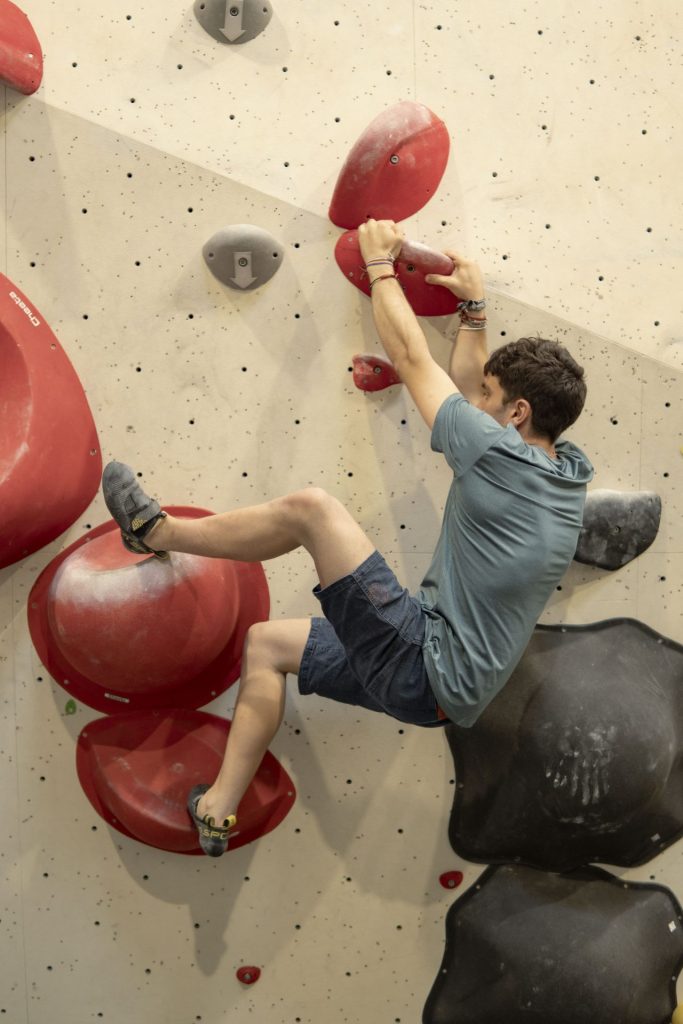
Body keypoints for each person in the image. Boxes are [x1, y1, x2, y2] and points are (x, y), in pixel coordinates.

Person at [102, 219, 593, 857]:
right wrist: (473, 312)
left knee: (314, 511)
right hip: (440, 693)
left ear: (518, 414)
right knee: (268, 643)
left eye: (494, 398)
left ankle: (153, 530)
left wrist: (380, 266)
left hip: (422, 660)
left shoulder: (500, 460)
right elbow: (473, 389)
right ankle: (217, 812)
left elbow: (417, 361)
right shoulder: (565, 473)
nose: (479, 401)